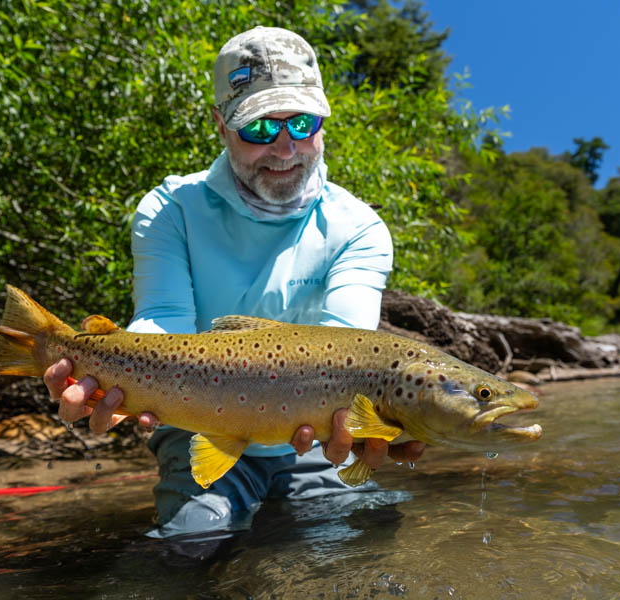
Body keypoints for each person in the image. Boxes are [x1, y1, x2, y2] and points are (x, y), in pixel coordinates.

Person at [43, 26, 424, 548]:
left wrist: (381, 425)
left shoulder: (358, 227)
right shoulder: (170, 209)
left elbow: (349, 347)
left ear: (324, 119)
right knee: (190, 548)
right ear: (221, 124)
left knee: (357, 546)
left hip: (312, 438)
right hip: (195, 421)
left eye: (303, 123)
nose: (285, 147)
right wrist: (104, 374)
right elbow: (162, 320)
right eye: (260, 127)